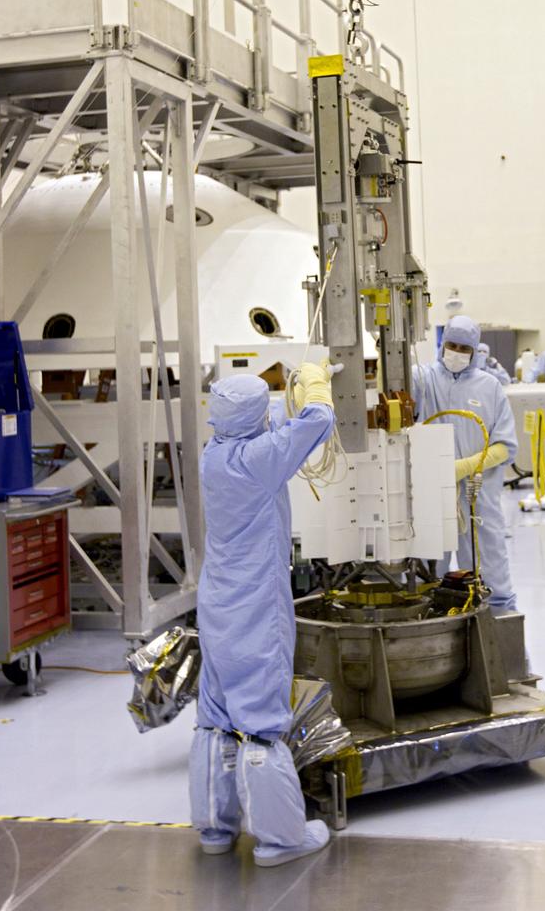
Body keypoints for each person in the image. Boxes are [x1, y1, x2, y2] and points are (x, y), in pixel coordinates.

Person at [189, 365, 336, 865]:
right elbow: (319, 421)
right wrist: (315, 381)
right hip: (255, 607)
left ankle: (215, 829)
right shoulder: (260, 458)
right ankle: (280, 838)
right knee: (259, 721)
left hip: (217, 604)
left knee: (216, 717)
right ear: (255, 416)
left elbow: (269, 429)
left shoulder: (215, 455)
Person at [413, 315, 518, 611]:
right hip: (434, 493)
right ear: (441, 344)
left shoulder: (490, 387)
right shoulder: (424, 378)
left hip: (478, 495)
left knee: (490, 565)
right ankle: (431, 622)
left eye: (463, 347)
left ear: (474, 351)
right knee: (429, 567)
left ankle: (498, 621)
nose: (456, 353)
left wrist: (464, 467)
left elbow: (505, 446)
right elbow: (392, 383)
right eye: (451, 345)